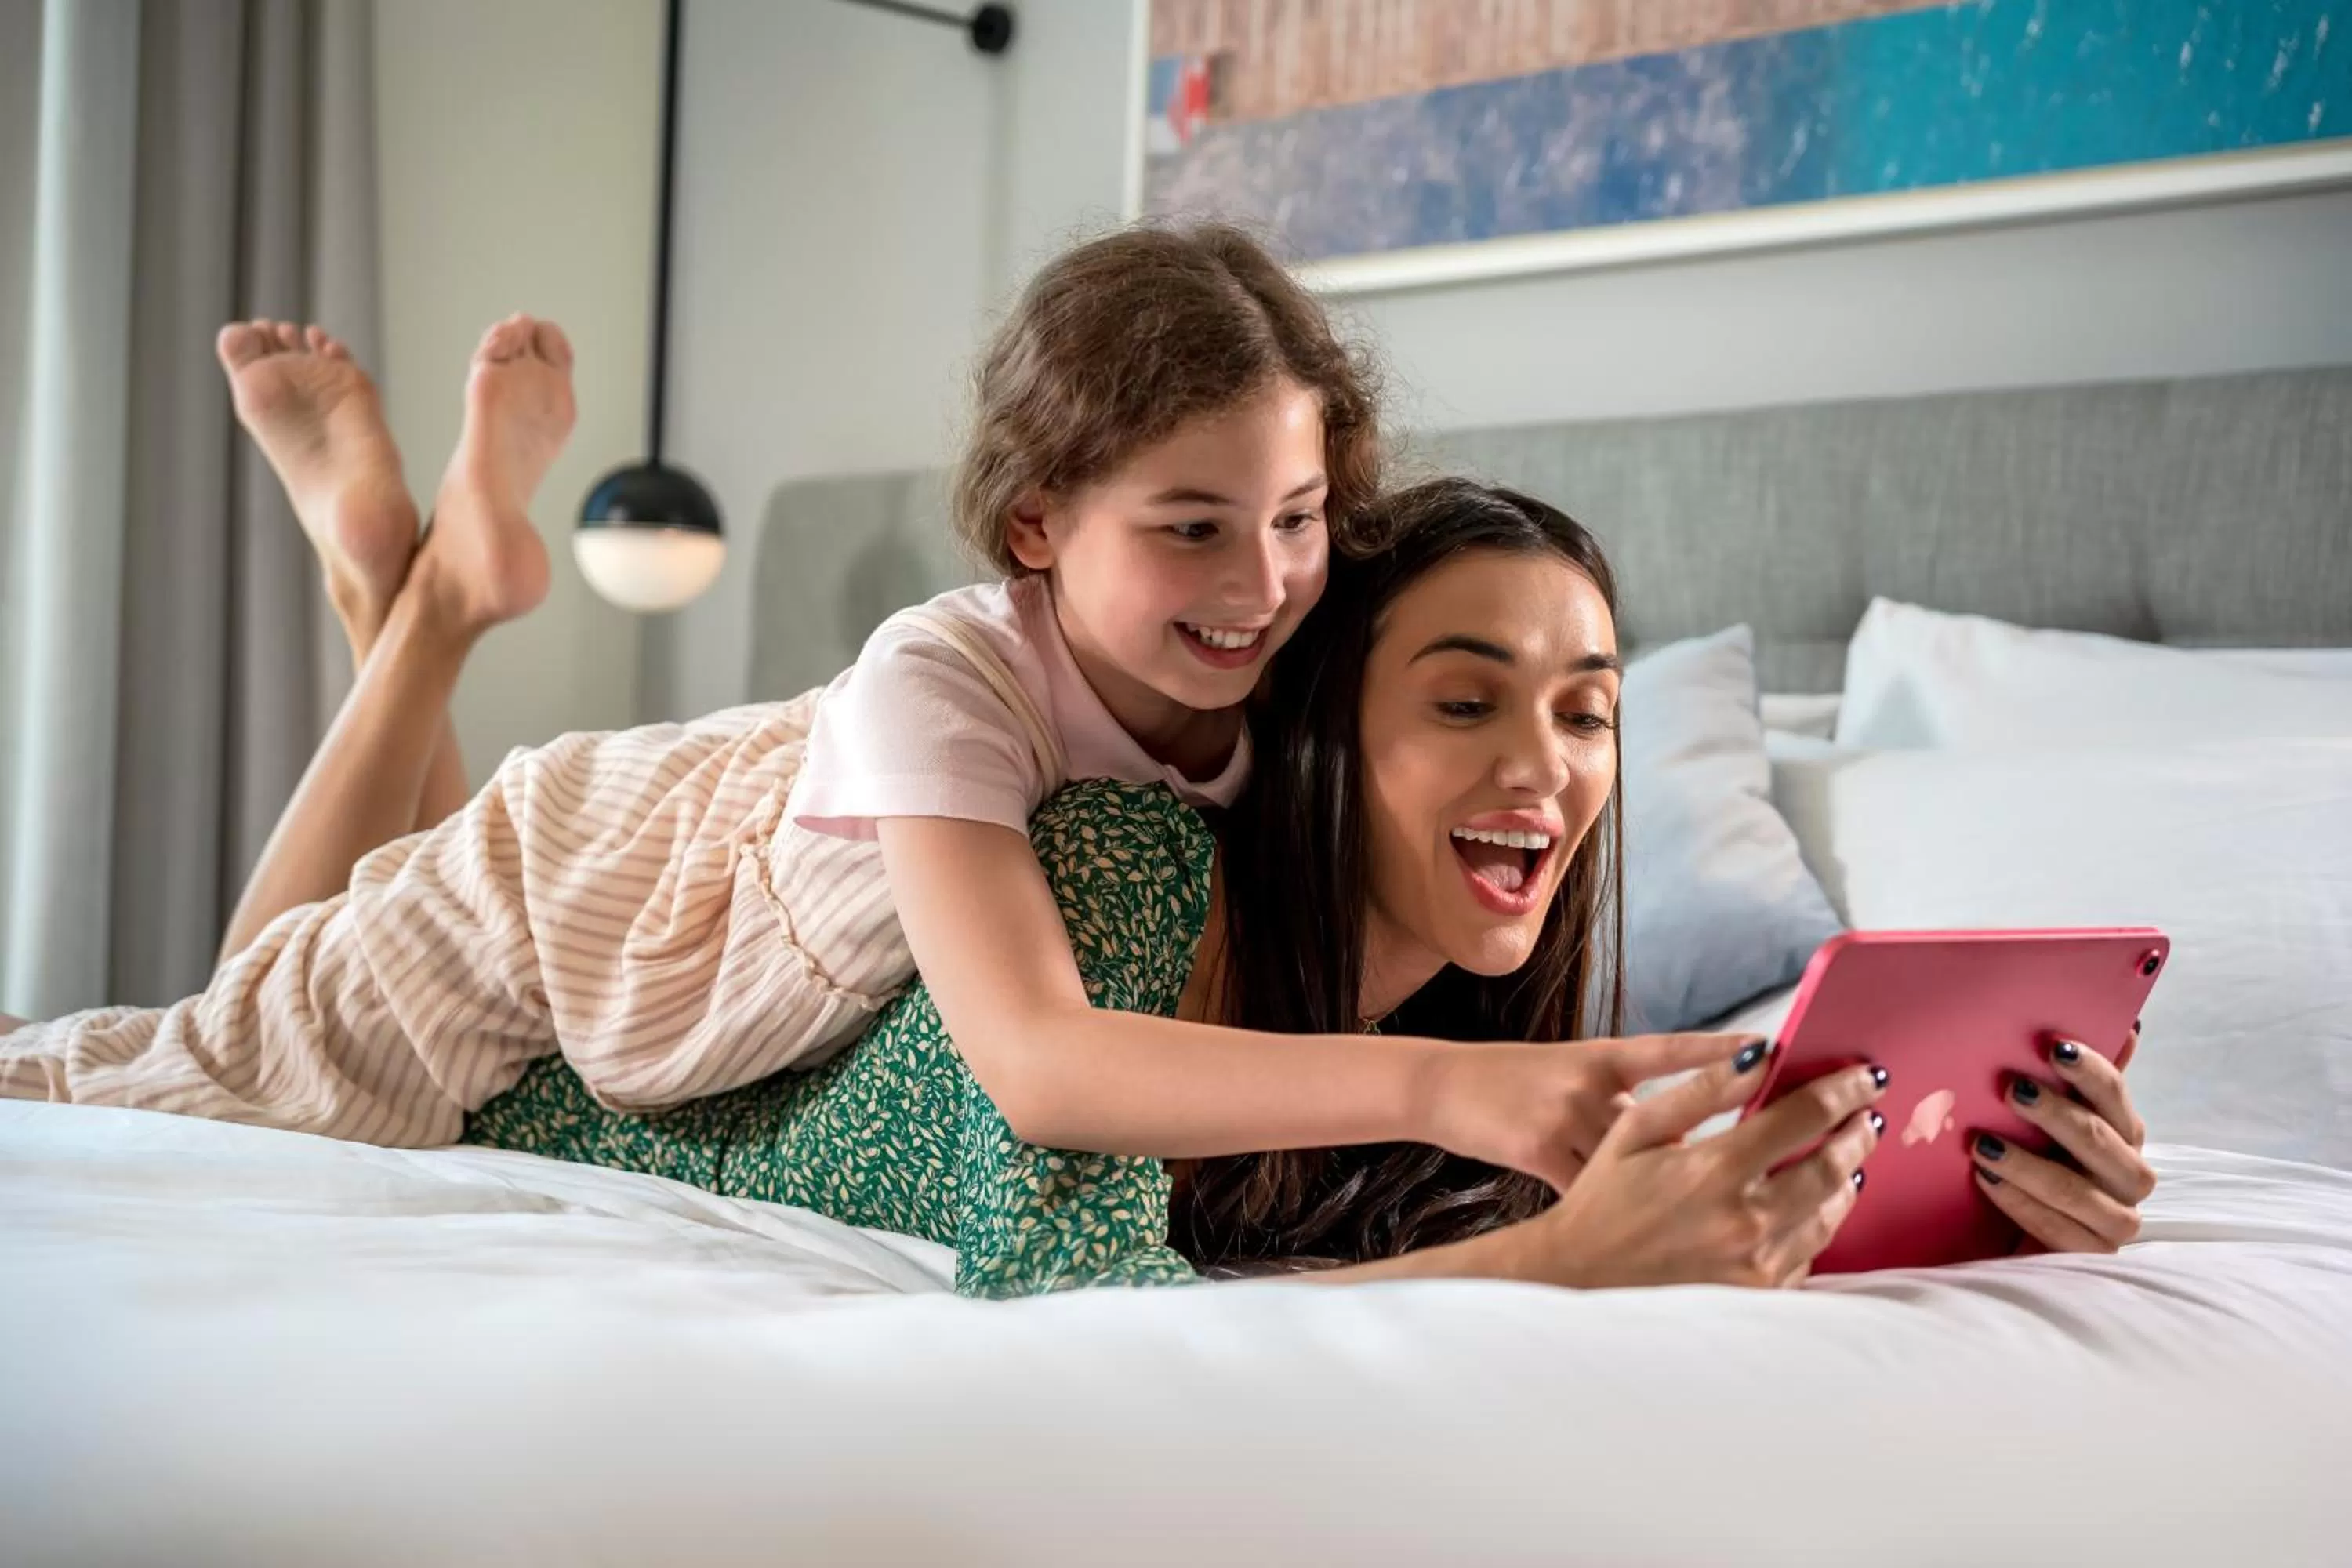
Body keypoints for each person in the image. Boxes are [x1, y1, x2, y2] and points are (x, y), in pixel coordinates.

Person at [4, 225, 1738, 1194]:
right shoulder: (949, 677)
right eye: (1190, 530)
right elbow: (1044, 1059)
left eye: (1295, 523)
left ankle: (411, 595)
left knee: (246, 1021)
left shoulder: (1294, 669)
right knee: (187, 1075)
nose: (1259, 582)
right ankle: (422, 598)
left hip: (665, 933)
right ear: (1037, 524)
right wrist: (1437, 1092)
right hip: (575, 891)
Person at [463, 479, 2158, 1295]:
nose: (1545, 766)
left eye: (1587, 711)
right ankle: (426, 618)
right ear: (1326, 735)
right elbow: (1071, 1311)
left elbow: (1607, 1202)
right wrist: (1565, 1266)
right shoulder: (1126, 886)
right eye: (1462, 698)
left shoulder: (1498, 1065)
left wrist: (1969, 1198)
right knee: (263, 1002)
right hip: (545, 1087)